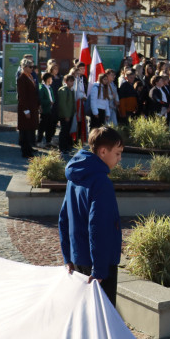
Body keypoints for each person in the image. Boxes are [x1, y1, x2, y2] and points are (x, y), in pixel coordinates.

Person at [59, 126, 124, 307]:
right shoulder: (101, 182)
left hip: (78, 258)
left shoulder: (74, 177)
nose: (120, 159)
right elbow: (99, 227)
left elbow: (64, 218)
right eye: (117, 153)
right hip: (100, 264)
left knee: (83, 312)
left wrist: (68, 257)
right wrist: (100, 270)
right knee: (102, 316)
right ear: (103, 151)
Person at [16, 58, 39, 158]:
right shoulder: (22, 78)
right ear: (24, 67)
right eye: (30, 67)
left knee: (30, 129)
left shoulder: (30, 76)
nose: (32, 69)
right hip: (26, 108)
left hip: (32, 107)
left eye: (32, 67)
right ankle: (25, 151)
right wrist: (26, 110)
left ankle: (29, 148)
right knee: (25, 130)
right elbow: (22, 96)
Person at [56, 74, 77, 156]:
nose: (72, 83)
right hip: (65, 115)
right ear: (66, 81)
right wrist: (66, 115)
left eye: (73, 81)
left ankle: (66, 147)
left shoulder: (71, 90)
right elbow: (63, 104)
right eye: (70, 81)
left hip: (70, 114)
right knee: (64, 131)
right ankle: (62, 148)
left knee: (67, 131)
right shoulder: (63, 90)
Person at [37, 72, 58, 148]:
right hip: (45, 110)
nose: (52, 80)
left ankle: (48, 141)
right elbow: (41, 100)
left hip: (50, 110)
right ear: (47, 79)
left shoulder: (50, 88)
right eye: (51, 79)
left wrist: (53, 101)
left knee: (49, 126)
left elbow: (52, 97)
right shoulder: (42, 88)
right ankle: (39, 141)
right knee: (42, 127)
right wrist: (49, 102)